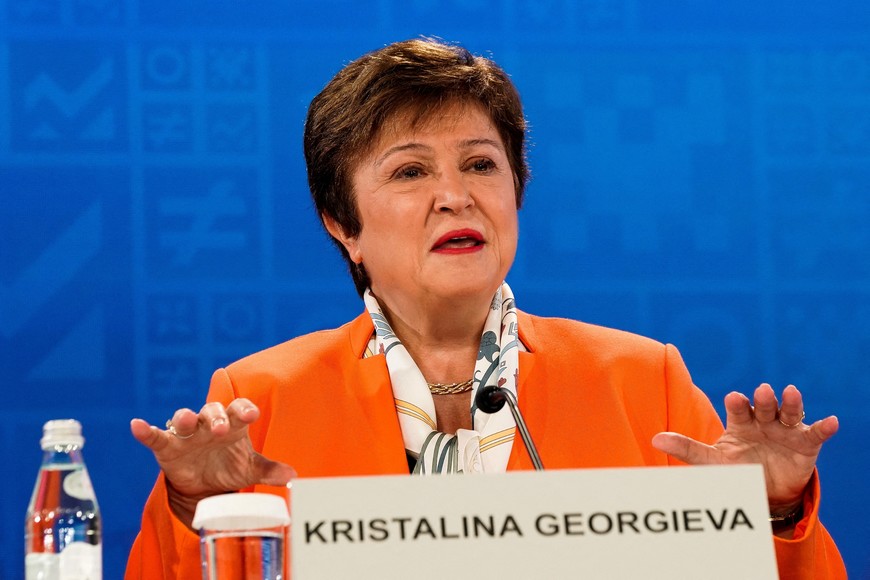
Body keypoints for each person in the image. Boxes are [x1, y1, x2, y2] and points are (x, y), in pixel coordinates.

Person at [125, 38, 846, 578]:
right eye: (410, 171)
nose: (455, 195)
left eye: (480, 163)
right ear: (341, 224)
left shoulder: (641, 380)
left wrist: (774, 515)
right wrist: (191, 507)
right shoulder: (259, 397)